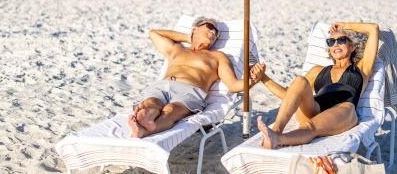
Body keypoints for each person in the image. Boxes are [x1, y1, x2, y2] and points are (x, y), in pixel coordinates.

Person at [128, 16, 264, 138]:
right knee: (152, 103)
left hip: (190, 91)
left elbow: (234, 86)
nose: (213, 33)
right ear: (195, 28)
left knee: (171, 111)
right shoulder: (177, 49)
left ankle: (145, 130)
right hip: (163, 85)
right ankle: (145, 118)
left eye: (216, 33)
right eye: (210, 27)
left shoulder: (217, 56)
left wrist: (253, 79)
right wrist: (189, 37)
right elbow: (154, 33)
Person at [256, 21, 379, 149]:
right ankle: (276, 131)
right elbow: (289, 96)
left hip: (343, 110)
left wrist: (344, 26)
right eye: (331, 42)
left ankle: (278, 139)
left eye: (341, 40)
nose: (336, 44)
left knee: (311, 127)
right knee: (299, 81)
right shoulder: (317, 71)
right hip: (316, 108)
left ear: (353, 47)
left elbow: (373, 29)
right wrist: (263, 78)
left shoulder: (362, 69)